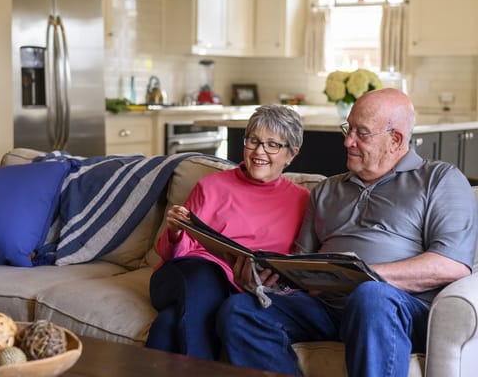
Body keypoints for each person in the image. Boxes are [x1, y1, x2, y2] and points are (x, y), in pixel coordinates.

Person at [216, 88, 478, 377]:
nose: (347, 141)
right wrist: (267, 281)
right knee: (240, 310)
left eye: (361, 133)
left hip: (398, 309)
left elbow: (452, 265)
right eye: (348, 128)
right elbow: (299, 269)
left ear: (395, 140)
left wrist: (362, 274)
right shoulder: (328, 189)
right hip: (327, 307)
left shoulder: (439, 179)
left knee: (371, 296)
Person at [144, 104, 311, 360]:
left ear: (292, 154)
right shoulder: (210, 186)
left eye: (272, 145)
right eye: (253, 141)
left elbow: (296, 266)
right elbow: (173, 254)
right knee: (204, 274)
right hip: (183, 277)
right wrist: (175, 232)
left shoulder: (303, 201)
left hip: (238, 290)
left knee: (167, 325)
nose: (259, 152)